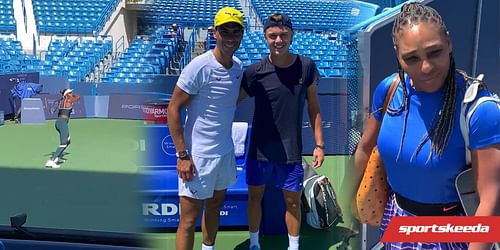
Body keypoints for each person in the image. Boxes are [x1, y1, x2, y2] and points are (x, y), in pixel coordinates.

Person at [352, 3, 500, 249]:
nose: (426, 67)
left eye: (434, 52)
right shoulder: (389, 90)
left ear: (449, 43)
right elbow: (364, 148)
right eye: (412, 58)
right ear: (397, 55)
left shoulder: (480, 110)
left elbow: (490, 202)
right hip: (395, 219)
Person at [238, 13, 325, 250]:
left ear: (292, 36)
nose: (278, 40)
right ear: (265, 38)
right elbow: (230, 102)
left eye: (283, 35)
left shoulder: (306, 67)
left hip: (291, 152)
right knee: (255, 198)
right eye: (273, 36)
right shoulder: (254, 72)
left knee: (293, 203)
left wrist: (319, 144)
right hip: (259, 152)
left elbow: (314, 108)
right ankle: (255, 244)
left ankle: (293, 246)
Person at [166, 7, 244, 250]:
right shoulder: (199, 66)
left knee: (214, 207)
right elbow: (173, 109)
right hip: (197, 157)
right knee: (188, 221)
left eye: (235, 31)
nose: (230, 37)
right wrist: (182, 156)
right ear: (215, 33)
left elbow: (229, 100)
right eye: (225, 31)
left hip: (224, 153)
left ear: (241, 34)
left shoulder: (239, 67)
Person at [45, 88, 80, 169]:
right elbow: (78, 97)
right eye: (70, 92)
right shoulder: (68, 100)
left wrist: (66, 94)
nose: (72, 93)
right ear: (67, 95)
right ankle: (51, 161)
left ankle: (58, 157)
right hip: (62, 123)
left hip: (59, 123)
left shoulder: (62, 101)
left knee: (68, 141)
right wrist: (69, 94)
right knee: (64, 143)